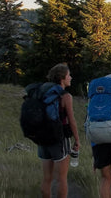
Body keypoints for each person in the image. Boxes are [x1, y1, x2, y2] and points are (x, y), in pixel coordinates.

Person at [39, 63, 81, 198]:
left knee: (47, 178)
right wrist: (77, 139)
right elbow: (71, 120)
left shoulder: (43, 92)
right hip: (59, 138)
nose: (71, 77)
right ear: (62, 78)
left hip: (43, 138)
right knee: (61, 179)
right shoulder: (65, 96)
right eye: (69, 75)